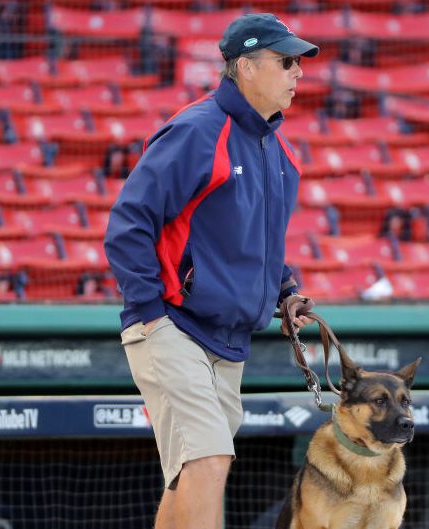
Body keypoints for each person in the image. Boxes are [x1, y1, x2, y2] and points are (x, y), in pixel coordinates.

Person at [103, 13, 319, 529]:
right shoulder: (198, 131)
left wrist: (284, 288)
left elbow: (260, 240)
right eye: (286, 61)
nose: (298, 73)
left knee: (188, 474)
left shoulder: (278, 149)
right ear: (245, 66)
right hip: (173, 325)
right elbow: (128, 224)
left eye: (299, 63)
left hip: (228, 340)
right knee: (208, 460)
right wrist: (151, 313)